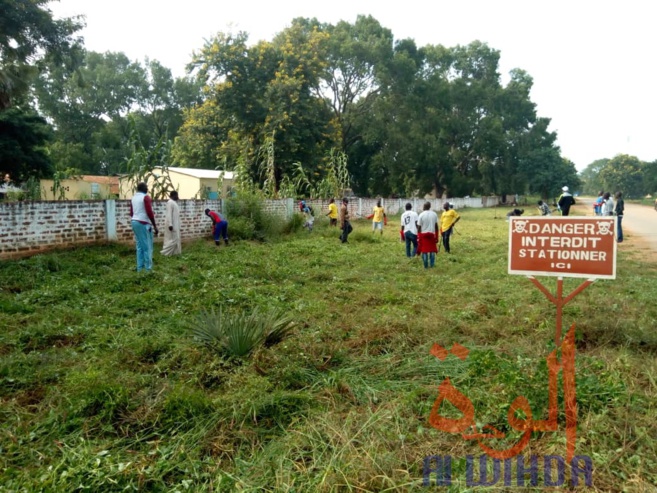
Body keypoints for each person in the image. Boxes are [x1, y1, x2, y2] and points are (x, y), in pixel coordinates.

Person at [130, 182, 159, 272]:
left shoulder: (133, 198)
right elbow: (149, 212)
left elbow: (131, 212)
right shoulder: (145, 197)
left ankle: (139, 268)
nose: (147, 189)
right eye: (146, 187)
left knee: (139, 247)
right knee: (147, 247)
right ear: (143, 188)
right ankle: (148, 269)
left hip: (134, 222)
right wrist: (154, 226)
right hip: (143, 223)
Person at [417, 201, 439, 269]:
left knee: (424, 251)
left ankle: (425, 265)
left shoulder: (421, 215)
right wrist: (437, 236)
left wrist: (418, 236)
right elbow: (436, 226)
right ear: (430, 206)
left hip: (424, 235)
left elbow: (419, 227)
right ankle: (432, 265)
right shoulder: (434, 214)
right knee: (432, 250)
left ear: (424, 206)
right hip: (432, 235)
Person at [161, 190, 181, 256]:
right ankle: (165, 253)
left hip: (176, 224)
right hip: (172, 225)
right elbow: (169, 214)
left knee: (176, 239)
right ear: (174, 195)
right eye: (177, 195)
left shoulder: (174, 203)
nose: (178, 197)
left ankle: (175, 253)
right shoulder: (170, 202)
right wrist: (170, 224)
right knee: (173, 240)